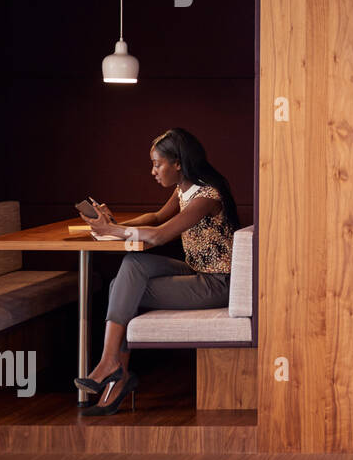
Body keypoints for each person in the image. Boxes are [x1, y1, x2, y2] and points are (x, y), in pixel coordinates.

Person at [78, 128, 241, 416]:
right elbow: (155, 219)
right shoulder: (184, 190)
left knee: (122, 288)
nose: (153, 171)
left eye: (157, 163)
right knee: (130, 268)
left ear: (177, 163)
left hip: (217, 283)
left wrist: (112, 231)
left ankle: (112, 368)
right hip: (196, 271)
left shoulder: (207, 196)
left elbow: (160, 235)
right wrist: (112, 224)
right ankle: (114, 369)